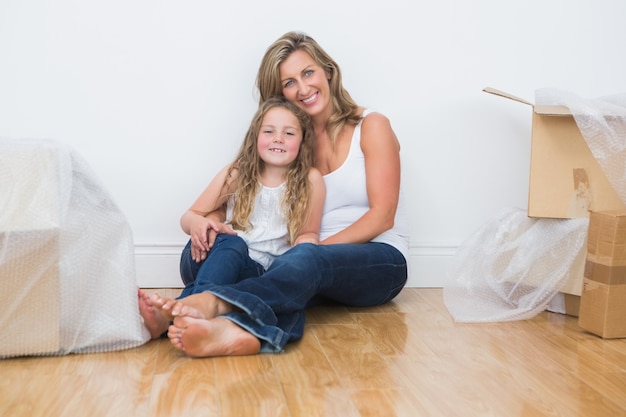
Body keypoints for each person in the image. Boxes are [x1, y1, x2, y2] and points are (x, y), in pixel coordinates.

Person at [150, 31, 410, 357]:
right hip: (294, 263)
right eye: (289, 83)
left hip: (375, 259)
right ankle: (236, 332)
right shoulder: (289, 142)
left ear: (328, 70)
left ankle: (201, 303)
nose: (302, 88)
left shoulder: (371, 126)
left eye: (308, 73)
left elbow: (382, 216)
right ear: (280, 95)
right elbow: (239, 193)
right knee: (288, 287)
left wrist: (301, 258)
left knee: (297, 270)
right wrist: (212, 223)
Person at [138, 95, 326, 339]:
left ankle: (169, 318)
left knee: (245, 290)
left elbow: (308, 233)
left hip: (254, 272)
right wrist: (199, 223)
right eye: (269, 131)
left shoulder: (311, 180)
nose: (278, 138)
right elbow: (189, 215)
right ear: (255, 137)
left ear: (302, 141)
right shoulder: (237, 172)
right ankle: (199, 309)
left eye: (289, 133)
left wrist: (304, 256)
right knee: (233, 241)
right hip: (208, 255)